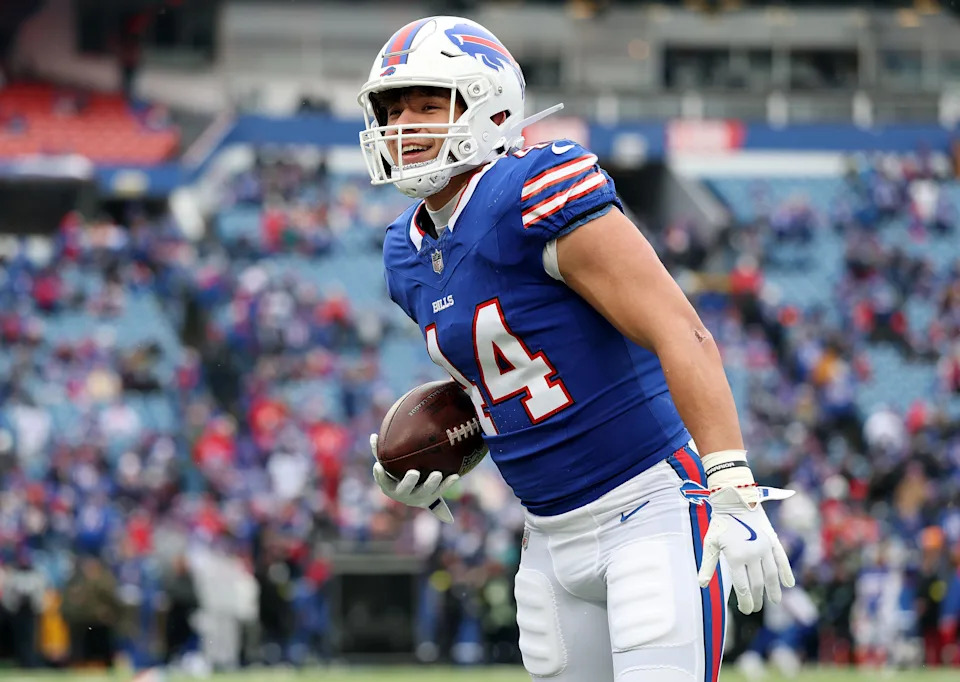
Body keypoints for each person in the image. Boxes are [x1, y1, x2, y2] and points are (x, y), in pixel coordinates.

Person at [358, 16, 795, 681]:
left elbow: (681, 329)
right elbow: (500, 385)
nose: (406, 124)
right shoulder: (404, 254)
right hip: (547, 540)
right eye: (393, 109)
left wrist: (731, 480)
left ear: (488, 105)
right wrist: (428, 457)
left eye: (426, 103)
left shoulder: (534, 190)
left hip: (649, 510)